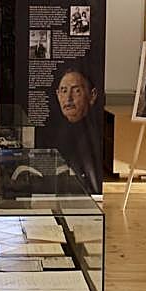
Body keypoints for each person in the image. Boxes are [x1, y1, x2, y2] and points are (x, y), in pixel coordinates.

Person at [44, 61, 102, 193]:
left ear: (92, 95)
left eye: (76, 91)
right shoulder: (52, 135)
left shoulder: (95, 136)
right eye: (64, 91)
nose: (68, 98)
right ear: (58, 95)